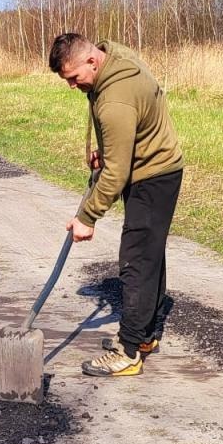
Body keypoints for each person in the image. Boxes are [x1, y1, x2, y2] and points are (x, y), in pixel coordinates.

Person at [48, 33, 185, 378]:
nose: (72, 86)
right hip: (160, 169)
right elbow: (126, 138)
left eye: (74, 78)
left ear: (92, 61)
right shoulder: (115, 57)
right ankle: (145, 336)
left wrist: (86, 217)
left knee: (136, 261)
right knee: (150, 255)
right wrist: (111, 147)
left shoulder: (114, 102)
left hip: (151, 176)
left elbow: (117, 173)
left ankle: (128, 352)